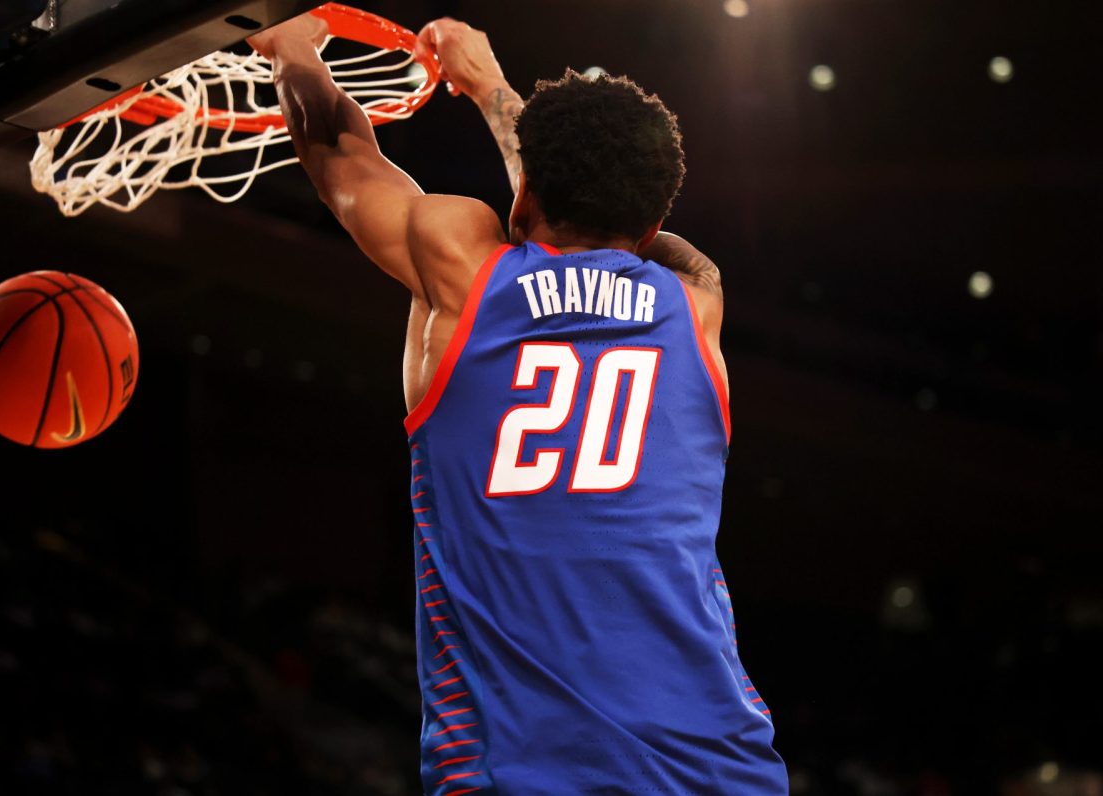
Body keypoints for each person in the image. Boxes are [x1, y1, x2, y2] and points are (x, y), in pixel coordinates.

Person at [247, 12, 788, 795]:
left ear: (527, 185)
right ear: (655, 220)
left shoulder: (462, 270)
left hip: (520, 773)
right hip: (718, 765)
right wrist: (496, 95)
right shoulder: (695, 305)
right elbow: (613, 229)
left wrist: (293, 48)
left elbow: (340, 157)